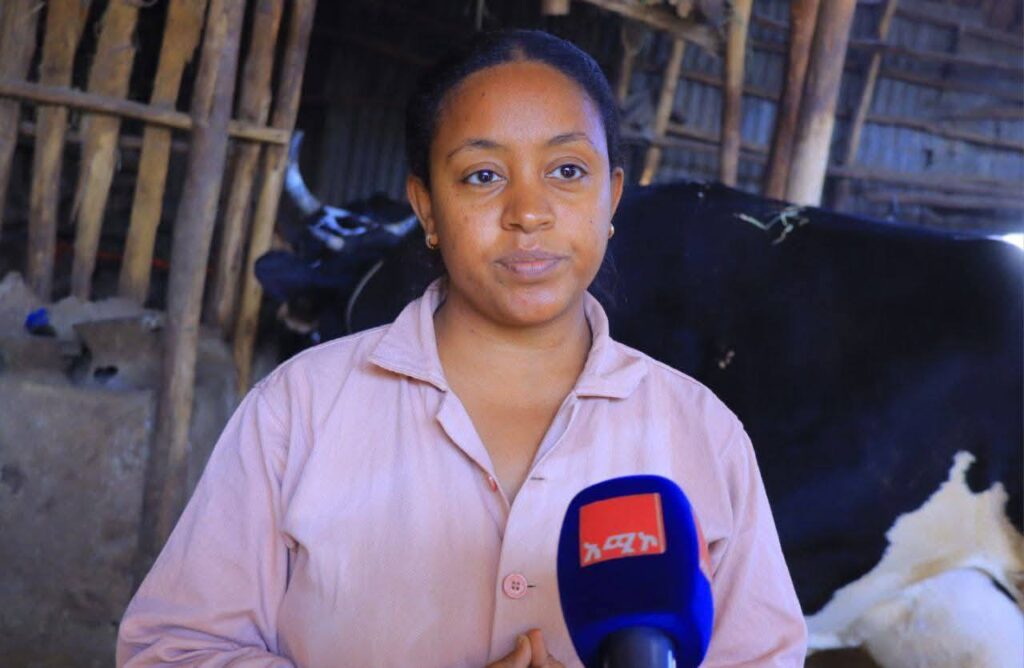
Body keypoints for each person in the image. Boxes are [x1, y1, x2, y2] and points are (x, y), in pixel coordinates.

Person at [117, 29, 807, 667]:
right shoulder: (298, 411)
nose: (528, 212)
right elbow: (172, 651)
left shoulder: (702, 436)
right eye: (483, 175)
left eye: (568, 170)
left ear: (612, 197)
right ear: (427, 208)